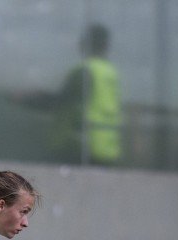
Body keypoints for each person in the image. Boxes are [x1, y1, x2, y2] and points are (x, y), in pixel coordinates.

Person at [15, 24, 121, 165]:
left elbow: (59, 102)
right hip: (106, 148)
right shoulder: (110, 72)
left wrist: (24, 99)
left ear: (87, 43)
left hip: (78, 146)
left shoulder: (85, 71)